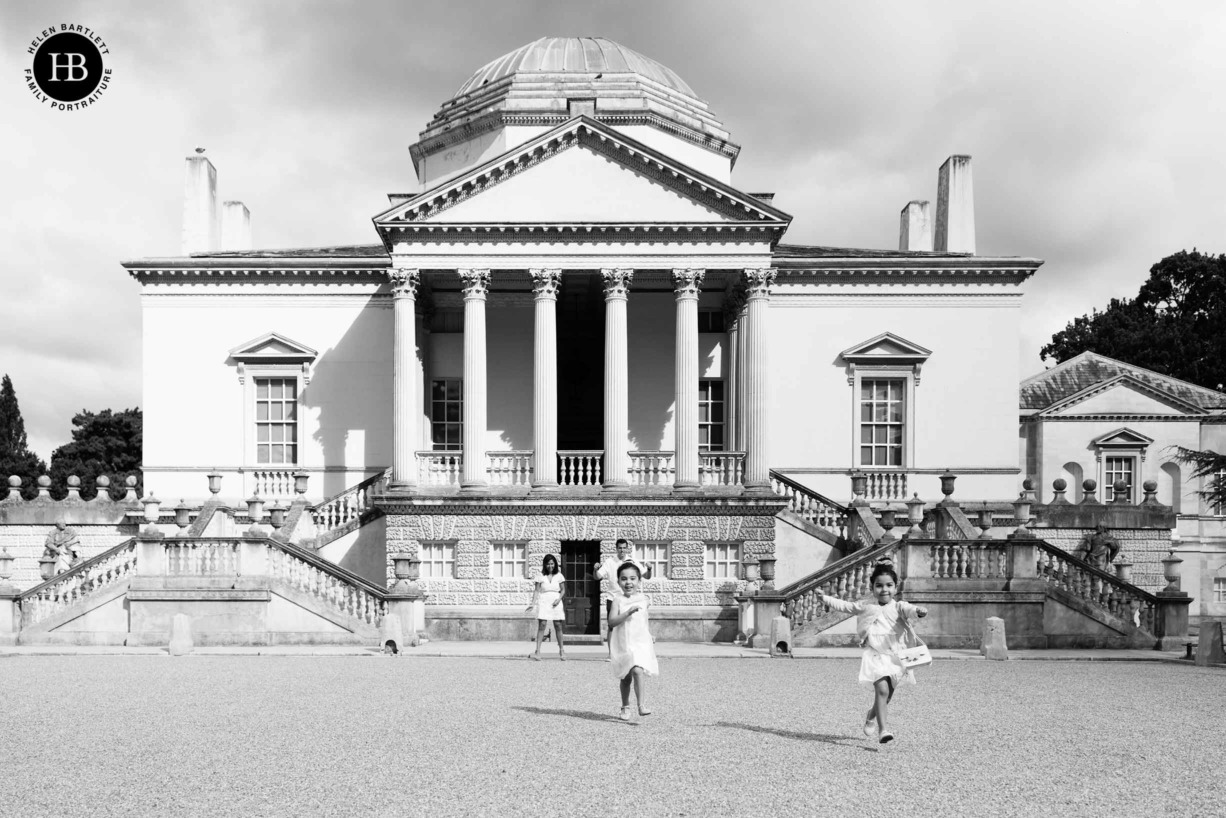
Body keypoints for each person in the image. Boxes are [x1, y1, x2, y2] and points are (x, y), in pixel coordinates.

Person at [817, 561, 927, 744]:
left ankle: (871, 715)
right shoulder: (867, 606)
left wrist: (919, 611)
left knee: (886, 696)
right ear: (872, 587)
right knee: (882, 690)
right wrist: (824, 598)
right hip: (875, 654)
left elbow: (911, 610)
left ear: (895, 586)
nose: (884, 589)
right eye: (879, 585)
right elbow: (845, 606)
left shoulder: (899, 606)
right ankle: (883, 731)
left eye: (889, 585)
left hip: (897, 656)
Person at [607, 561, 659, 721]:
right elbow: (611, 622)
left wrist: (649, 634)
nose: (628, 582)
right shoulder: (617, 600)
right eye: (624, 579)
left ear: (638, 580)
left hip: (640, 642)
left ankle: (641, 705)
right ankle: (625, 705)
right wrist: (627, 613)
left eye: (632, 578)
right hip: (624, 642)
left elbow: (644, 620)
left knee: (638, 670)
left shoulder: (644, 599)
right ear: (619, 581)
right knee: (626, 677)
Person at [595, 538, 651, 659]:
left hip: (629, 598)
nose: (621, 550)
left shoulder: (632, 561)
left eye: (624, 548)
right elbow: (598, 576)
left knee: (630, 623)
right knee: (612, 626)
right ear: (616, 549)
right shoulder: (610, 561)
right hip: (613, 597)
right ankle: (611, 654)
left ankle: (630, 651)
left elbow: (646, 576)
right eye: (619, 548)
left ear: (627, 548)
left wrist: (649, 568)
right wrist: (595, 569)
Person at [526, 554, 566, 661]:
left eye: (552, 563)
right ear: (545, 564)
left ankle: (561, 650)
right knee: (542, 625)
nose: (550, 566)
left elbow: (563, 590)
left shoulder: (559, 575)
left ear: (555, 564)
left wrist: (559, 599)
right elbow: (536, 590)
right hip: (544, 600)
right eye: (548, 564)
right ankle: (538, 651)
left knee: (558, 625)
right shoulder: (540, 576)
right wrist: (532, 603)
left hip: (556, 601)